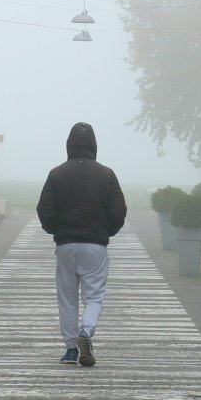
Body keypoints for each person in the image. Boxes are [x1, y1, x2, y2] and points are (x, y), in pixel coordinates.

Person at [37, 122, 127, 367]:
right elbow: (119, 210)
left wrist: (57, 231)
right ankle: (86, 332)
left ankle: (70, 350)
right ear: (94, 145)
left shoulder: (56, 174)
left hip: (66, 245)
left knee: (67, 298)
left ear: (69, 144)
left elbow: (44, 209)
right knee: (94, 296)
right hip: (95, 245)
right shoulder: (107, 174)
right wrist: (106, 232)